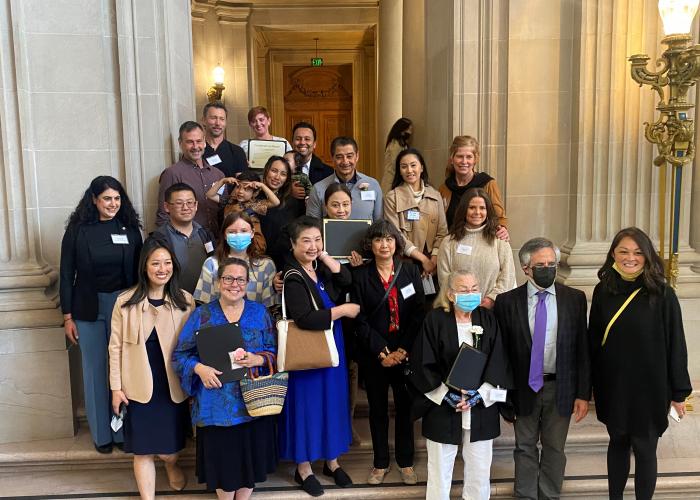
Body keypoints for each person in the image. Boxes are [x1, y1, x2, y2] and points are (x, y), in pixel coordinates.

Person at [589, 227, 691, 500]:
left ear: (647, 256)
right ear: (613, 254)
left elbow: (676, 344)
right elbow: (593, 341)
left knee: (645, 450)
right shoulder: (603, 291)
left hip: (651, 387)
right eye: (623, 251)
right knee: (618, 444)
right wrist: (587, 387)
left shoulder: (663, 293)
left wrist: (679, 392)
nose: (630, 257)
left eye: (637, 252)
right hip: (615, 385)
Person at [173, 257, 278, 500]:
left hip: (253, 404)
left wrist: (258, 360)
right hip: (216, 408)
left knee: (248, 463)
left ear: (247, 283)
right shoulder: (202, 315)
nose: (234, 284)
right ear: (219, 282)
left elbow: (274, 351)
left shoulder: (259, 313)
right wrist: (199, 369)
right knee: (224, 467)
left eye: (240, 279)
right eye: (228, 278)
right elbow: (180, 355)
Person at [494, 237, 590, 500]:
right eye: (541, 264)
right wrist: (504, 395)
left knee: (555, 448)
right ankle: (525, 495)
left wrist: (583, 393)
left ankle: (549, 495)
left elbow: (582, 348)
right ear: (526, 268)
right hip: (523, 387)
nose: (548, 268)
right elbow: (501, 355)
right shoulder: (506, 303)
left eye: (552, 263)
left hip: (561, 387)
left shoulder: (575, 299)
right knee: (524, 447)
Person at [278, 216, 361, 497]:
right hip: (307, 354)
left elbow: (346, 278)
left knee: (331, 405)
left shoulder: (317, 269)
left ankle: (332, 462)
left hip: (330, 349)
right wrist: (343, 311)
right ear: (292, 245)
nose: (312, 246)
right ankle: (304, 469)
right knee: (307, 409)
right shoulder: (291, 276)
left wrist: (323, 255)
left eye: (317, 239)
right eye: (306, 241)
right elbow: (305, 319)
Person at [59, 175, 143, 453]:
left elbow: (139, 273)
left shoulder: (130, 229)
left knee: (121, 371)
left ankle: (121, 433)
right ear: (94, 200)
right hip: (87, 308)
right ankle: (102, 435)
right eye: (107, 198)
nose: (113, 203)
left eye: (117, 198)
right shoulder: (77, 230)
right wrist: (67, 316)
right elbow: (65, 272)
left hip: (123, 307)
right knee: (95, 370)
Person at [411, 270, 511, 500]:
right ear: (450, 294)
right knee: (439, 471)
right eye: (464, 290)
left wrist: (480, 395)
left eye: (475, 288)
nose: (471, 293)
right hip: (443, 407)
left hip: (481, 407)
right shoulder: (435, 320)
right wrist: (447, 395)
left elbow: (499, 362)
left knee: (479, 471)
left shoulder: (488, 319)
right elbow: (423, 362)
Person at [109, 237, 194, 498]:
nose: (162, 269)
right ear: (144, 266)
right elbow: (115, 348)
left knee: (168, 449)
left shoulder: (186, 301)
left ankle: (171, 464)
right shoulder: (125, 302)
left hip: (172, 384)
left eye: (167, 263)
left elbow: (193, 348)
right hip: (137, 386)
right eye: (155, 263)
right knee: (143, 449)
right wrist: (115, 388)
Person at [351, 220, 425, 486]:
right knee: (378, 409)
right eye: (379, 239)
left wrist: (404, 348)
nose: (385, 244)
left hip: (405, 352)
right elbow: (358, 319)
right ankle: (380, 463)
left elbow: (419, 311)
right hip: (375, 355)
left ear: (397, 243)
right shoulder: (359, 275)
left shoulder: (410, 271)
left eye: (390, 239)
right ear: (370, 244)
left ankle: (405, 462)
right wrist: (382, 351)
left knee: (405, 408)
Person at [436, 188, 515, 309]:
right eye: (472, 207)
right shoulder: (449, 242)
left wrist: (491, 299)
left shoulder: (499, 240)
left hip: (493, 311)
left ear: (488, 211)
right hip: (458, 310)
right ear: (464, 210)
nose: (477, 212)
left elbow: (507, 276)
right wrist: (462, 303)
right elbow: (444, 278)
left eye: (482, 208)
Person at [383, 148, 448, 283]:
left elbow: (442, 231)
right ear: (399, 170)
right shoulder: (391, 198)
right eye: (404, 166)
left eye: (413, 165)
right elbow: (396, 234)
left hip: (434, 261)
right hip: (405, 261)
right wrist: (423, 259)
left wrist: (433, 260)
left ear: (422, 167)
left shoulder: (435, 195)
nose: (409, 170)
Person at [193, 212, 277, 307]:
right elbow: (204, 304)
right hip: (219, 321)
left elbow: (270, 306)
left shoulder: (266, 265)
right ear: (225, 235)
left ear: (252, 233)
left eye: (243, 231)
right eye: (232, 232)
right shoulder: (211, 264)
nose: (238, 235)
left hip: (256, 320)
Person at [156, 121, 225, 234]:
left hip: (216, 241)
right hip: (186, 242)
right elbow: (163, 215)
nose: (195, 146)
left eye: (199, 141)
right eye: (189, 142)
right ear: (180, 143)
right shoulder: (172, 174)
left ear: (204, 143)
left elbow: (225, 209)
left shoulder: (218, 175)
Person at [154, 182, 215, 294]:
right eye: (179, 203)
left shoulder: (205, 234)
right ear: (167, 207)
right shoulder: (158, 239)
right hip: (173, 302)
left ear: (196, 205)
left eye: (190, 203)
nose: (185, 208)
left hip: (204, 301)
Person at [439, 135, 507, 232]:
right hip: (452, 243)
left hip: (483, 243)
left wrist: (503, 229)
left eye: (469, 157)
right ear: (452, 159)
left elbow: (500, 218)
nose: (464, 161)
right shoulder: (444, 188)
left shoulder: (488, 184)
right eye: (459, 156)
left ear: (475, 160)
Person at [306, 136, 383, 221]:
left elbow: (379, 224)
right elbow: (312, 227)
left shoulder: (373, 185)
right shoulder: (318, 189)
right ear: (332, 158)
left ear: (357, 156)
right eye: (339, 157)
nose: (345, 161)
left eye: (349, 156)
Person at [260, 155, 305, 270]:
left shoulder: (293, 202)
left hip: (283, 262)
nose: (277, 177)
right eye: (274, 171)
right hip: (256, 259)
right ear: (266, 171)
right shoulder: (254, 196)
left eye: (283, 174)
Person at [201, 101, 248, 178]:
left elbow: (242, 183)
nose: (218, 123)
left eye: (222, 119)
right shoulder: (196, 150)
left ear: (226, 122)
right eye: (213, 118)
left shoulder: (237, 151)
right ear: (203, 120)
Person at [380, 117, 412, 193]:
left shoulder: (401, 144)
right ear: (402, 130)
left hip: (394, 180)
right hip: (391, 180)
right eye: (409, 129)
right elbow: (395, 163)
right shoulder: (395, 144)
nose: (410, 132)